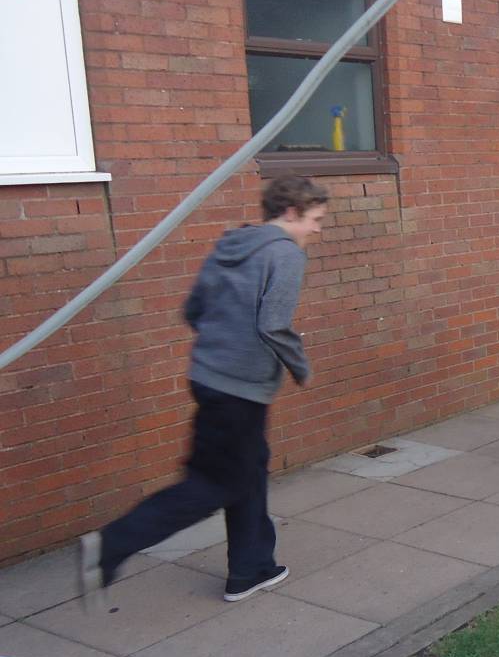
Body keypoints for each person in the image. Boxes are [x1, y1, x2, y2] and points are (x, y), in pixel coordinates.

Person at [79, 174, 329, 606]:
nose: (318, 229)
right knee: (214, 483)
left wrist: (221, 345)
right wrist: (300, 367)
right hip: (240, 389)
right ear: (291, 212)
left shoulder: (231, 245)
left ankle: (251, 568)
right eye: (316, 219)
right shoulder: (285, 253)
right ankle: (109, 547)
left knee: (248, 469)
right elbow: (273, 324)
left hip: (209, 378)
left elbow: (193, 309)